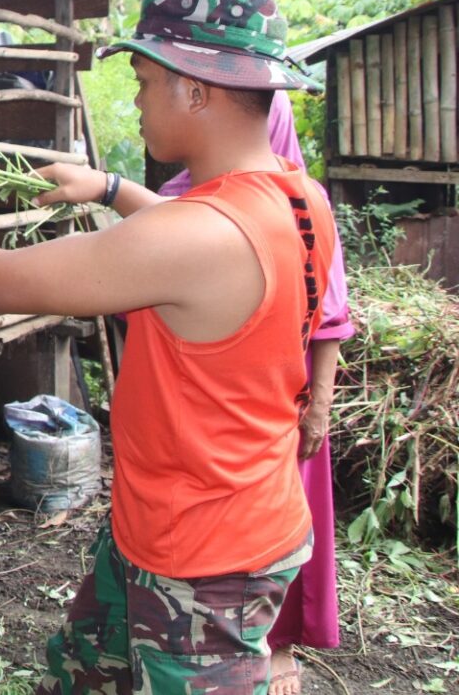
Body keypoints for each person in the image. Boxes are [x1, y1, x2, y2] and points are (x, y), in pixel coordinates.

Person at [0, 0, 337, 694]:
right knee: (85, 675)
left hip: (204, 562)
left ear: (195, 90)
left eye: (143, 81)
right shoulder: (297, 196)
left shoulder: (198, 234)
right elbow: (203, 241)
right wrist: (107, 188)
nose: (134, 101)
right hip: (203, 514)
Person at [160, 91, 350, 695]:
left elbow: (331, 316)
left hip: (281, 398)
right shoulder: (176, 198)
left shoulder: (302, 204)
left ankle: (278, 641)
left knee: (278, 524)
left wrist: (318, 406)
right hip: (207, 403)